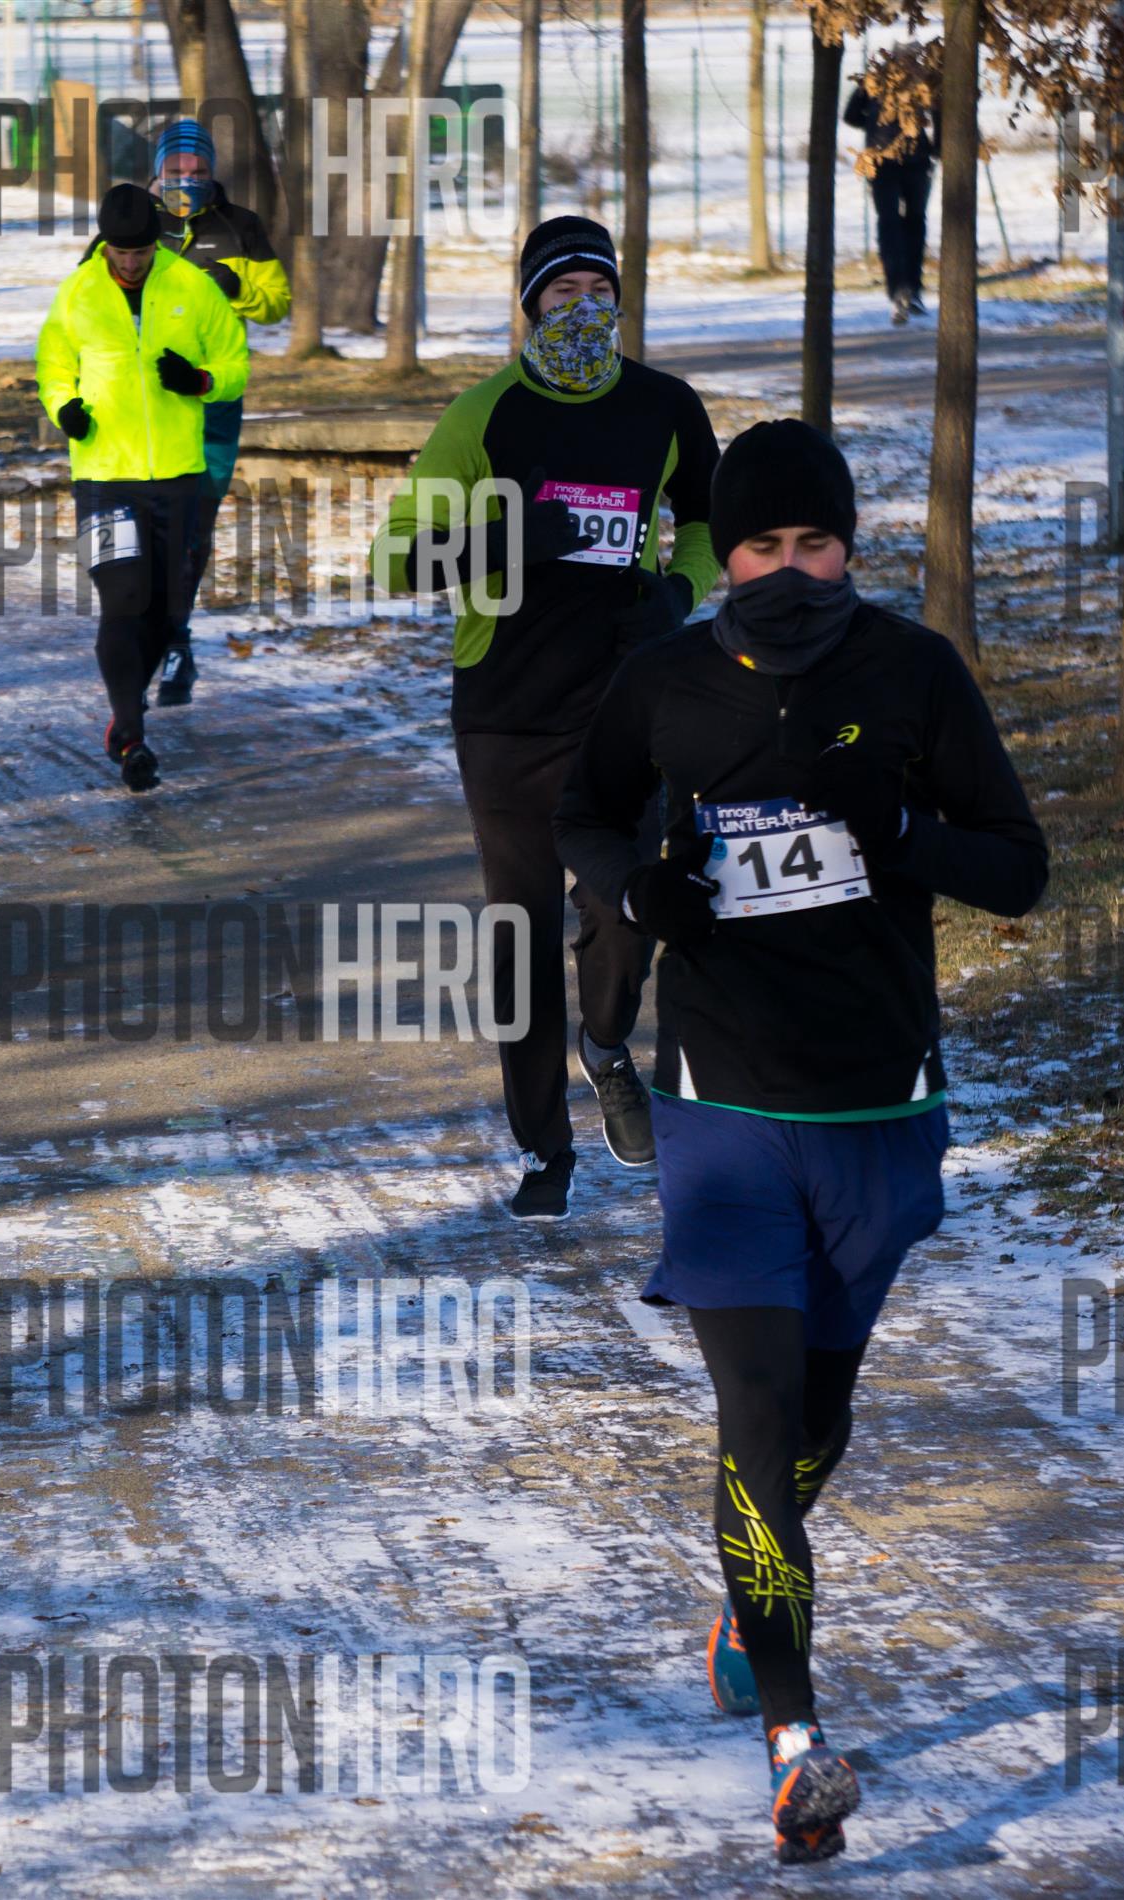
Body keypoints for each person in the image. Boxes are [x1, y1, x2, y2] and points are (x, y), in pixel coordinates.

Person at [553, 418, 1048, 1863]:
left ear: (848, 545)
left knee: (816, 1422)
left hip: (878, 1103)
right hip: (721, 1105)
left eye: (812, 544)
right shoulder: (664, 681)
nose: (786, 570)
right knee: (759, 1421)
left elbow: (1017, 870)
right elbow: (583, 816)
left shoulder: (912, 673)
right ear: (721, 554)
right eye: (759, 546)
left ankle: (743, 1595)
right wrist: (638, 896)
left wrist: (902, 827)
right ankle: (794, 1741)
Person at [374, 214, 719, 1221]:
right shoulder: (484, 416)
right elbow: (397, 557)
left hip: (623, 711)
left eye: (599, 292)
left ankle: (605, 1044)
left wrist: (677, 593)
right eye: (562, 293)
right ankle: (542, 1146)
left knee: (627, 904)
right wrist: (506, 533)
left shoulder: (663, 407)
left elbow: (709, 523)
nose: (582, 309)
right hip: (506, 716)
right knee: (520, 934)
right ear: (529, 306)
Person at [35, 182, 247, 794]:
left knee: (168, 607)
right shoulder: (78, 293)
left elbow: (235, 365)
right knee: (124, 597)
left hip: (179, 475)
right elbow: (53, 365)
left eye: (141, 252)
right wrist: (64, 407)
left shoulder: (192, 287)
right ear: (105, 244)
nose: (130, 263)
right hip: (103, 477)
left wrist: (201, 380)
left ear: (156, 243)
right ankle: (130, 735)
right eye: (120, 252)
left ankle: (127, 714)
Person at [146, 115, 286, 708]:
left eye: (199, 170)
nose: (188, 179)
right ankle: (154, 637)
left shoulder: (240, 226)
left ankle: (176, 639)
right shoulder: (136, 221)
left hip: (215, 401)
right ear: (157, 172)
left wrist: (238, 289)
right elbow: (87, 296)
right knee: (150, 531)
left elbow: (277, 303)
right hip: (146, 404)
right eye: (177, 169)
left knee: (193, 527)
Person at [842, 81, 935, 325]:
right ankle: (913, 290)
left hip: (881, 162)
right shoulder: (921, 81)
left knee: (889, 224)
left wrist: (875, 124)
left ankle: (897, 289)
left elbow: (850, 116)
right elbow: (938, 114)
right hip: (917, 161)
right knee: (915, 224)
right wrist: (934, 147)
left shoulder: (873, 82)